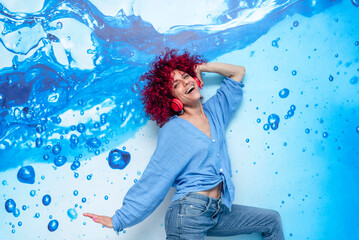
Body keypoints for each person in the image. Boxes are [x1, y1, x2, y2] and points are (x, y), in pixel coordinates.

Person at [83, 49, 285, 240]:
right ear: (172, 100)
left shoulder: (215, 111)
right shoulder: (174, 130)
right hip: (188, 213)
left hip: (218, 210)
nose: (185, 82)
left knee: (271, 220)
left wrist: (203, 68)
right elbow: (156, 176)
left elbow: (238, 72)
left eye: (186, 76)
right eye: (176, 85)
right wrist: (120, 219)